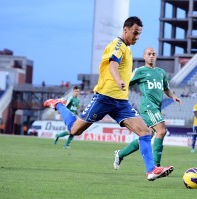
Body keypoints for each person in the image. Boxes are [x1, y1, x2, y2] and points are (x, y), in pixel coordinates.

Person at [44, 16, 173, 181]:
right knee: (75, 130)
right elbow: (113, 64)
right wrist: (119, 80)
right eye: (135, 33)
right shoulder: (117, 45)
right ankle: (59, 104)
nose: (137, 37)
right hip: (104, 98)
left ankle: (151, 170)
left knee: (145, 131)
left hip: (121, 102)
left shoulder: (127, 48)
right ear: (125, 30)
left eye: (139, 34)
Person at [113, 48, 181, 169]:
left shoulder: (161, 72)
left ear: (156, 56)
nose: (151, 56)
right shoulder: (140, 71)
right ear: (144, 56)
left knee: (147, 135)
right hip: (148, 107)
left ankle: (120, 154)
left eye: (153, 54)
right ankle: (155, 165)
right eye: (149, 54)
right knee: (161, 130)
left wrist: (173, 96)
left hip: (156, 107)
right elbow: (126, 83)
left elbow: (166, 88)